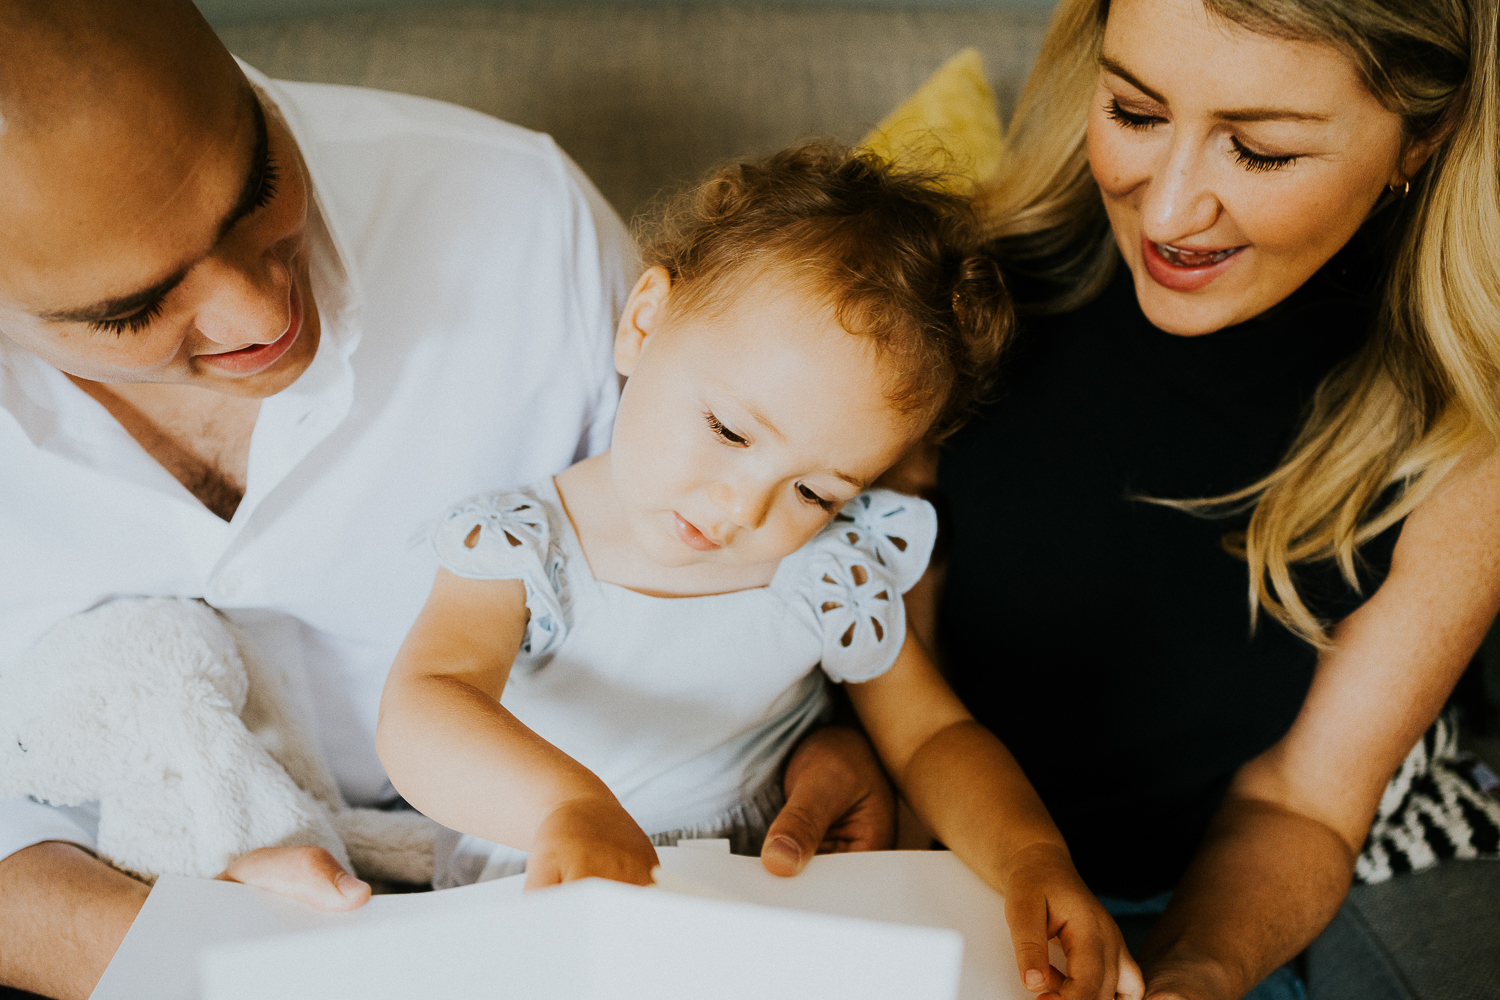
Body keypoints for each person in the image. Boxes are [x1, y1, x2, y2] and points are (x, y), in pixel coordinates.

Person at [0, 4, 884, 998]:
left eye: (257, 191)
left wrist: (826, 732)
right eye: (136, 307)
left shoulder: (523, 220)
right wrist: (201, 970)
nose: (262, 313)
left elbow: (721, 541)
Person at [375, 142, 1143, 1000]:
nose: (743, 507)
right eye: (732, 432)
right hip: (547, 876)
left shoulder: (825, 569)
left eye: (815, 490)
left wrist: (1034, 857)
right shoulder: (522, 545)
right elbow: (426, 705)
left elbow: (932, 738)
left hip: (764, 892)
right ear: (644, 319)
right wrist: (565, 805)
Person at [892, 0, 1500, 997]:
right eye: (1133, 112)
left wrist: (1193, 973)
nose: (1168, 211)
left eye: (1257, 152)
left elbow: (1304, 803)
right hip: (935, 869)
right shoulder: (960, 300)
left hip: (1208, 908)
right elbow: (875, 665)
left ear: (1421, 139)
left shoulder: (1461, 431)